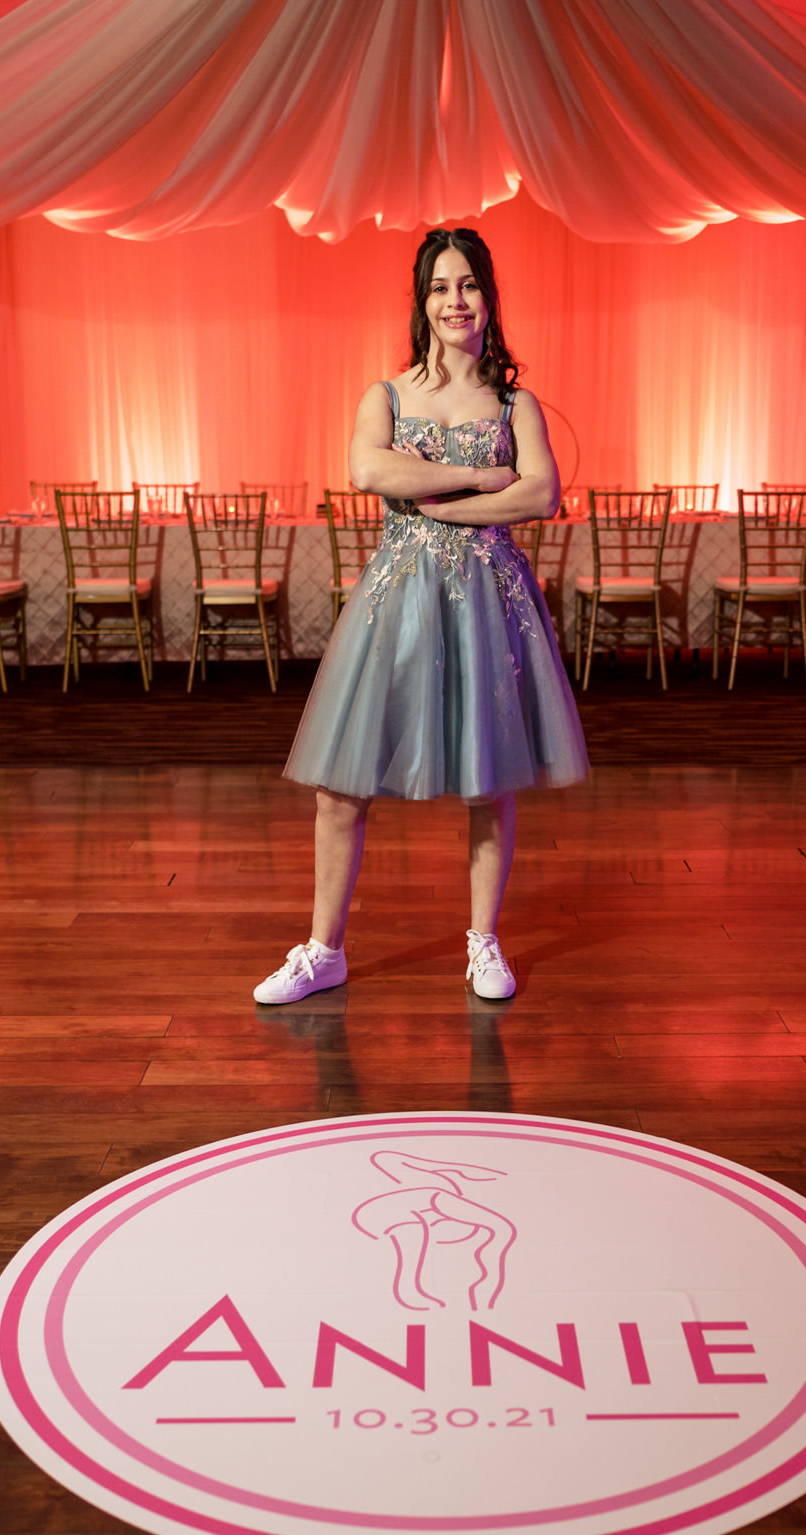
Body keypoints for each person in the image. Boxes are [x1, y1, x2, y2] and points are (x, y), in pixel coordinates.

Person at [255, 227, 588, 1006]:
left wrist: (434, 500)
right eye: (440, 286)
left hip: (487, 603)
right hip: (397, 602)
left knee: (488, 778)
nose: (455, 300)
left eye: (468, 284)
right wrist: (478, 478)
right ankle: (323, 949)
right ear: (422, 300)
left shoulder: (515, 401)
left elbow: (541, 494)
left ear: (488, 295)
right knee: (339, 786)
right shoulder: (389, 395)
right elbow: (369, 468)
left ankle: (482, 943)